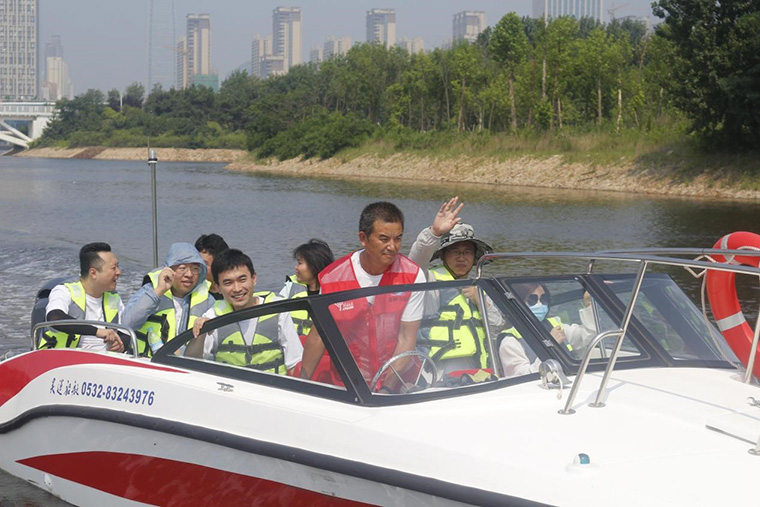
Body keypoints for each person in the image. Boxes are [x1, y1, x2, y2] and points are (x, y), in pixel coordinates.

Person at [299, 201, 427, 390]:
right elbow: (319, 335)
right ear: (363, 238)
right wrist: (302, 383)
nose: (393, 247)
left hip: (398, 383)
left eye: (398, 238)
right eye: (384, 239)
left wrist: (386, 389)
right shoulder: (332, 277)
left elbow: (406, 338)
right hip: (348, 385)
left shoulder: (413, 275)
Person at [408, 197, 498, 374]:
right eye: (455, 251)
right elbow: (415, 262)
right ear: (442, 255)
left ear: (475, 257)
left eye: (467, 252)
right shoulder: (428, 281)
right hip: (436, 370)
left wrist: (480, 301)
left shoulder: (480, 288)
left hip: (478, 370)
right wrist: (434, 233)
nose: (461, 257)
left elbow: (497, 327)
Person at [185, 249, 303, 374]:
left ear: (254, 278)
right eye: (228, 283)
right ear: (218, 287)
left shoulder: (278, 311)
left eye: (242, 280)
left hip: (272, 385)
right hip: (231, 385)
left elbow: (295, 362)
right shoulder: (213, 316)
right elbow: (191, 363)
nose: (237, 289)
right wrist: (200, 334)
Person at [122, 242, 214, 355]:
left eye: (195, 269)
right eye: (182, 268)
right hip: (148, 361)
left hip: (187, 362)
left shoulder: (208, 300)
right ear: (169, 270)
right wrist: (158, 291)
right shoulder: (151, 291)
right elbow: (127, 324)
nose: (189, 274)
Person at [40, 242, 125, 352]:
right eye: (113, 268)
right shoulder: (64, 290)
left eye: (118, 266)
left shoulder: (114, 297)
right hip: (62, 356)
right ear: (93, 273)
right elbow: (54, 318)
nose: (119, 272)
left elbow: (125, 331)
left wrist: (121, 344)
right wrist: (97, 331)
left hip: (103, 359)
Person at [498, 283, 594, 378]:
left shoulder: (555, 325)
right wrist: (551, 345)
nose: (539, 304)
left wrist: (589, 304)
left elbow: (588, 335)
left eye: (543, 299)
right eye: (532, 300)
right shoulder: (510, 342)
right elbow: (522, 378)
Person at [279, 239, 335, 336]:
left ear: (314, 266)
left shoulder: (335, 292)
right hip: (295, 343)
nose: (296, 267)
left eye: (300, 263)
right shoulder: (289, 289)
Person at [195, 233, 229, 300]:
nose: (198, 269)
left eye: (204, 264)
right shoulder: (191, 293)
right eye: (196, 263)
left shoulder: (235, 292)